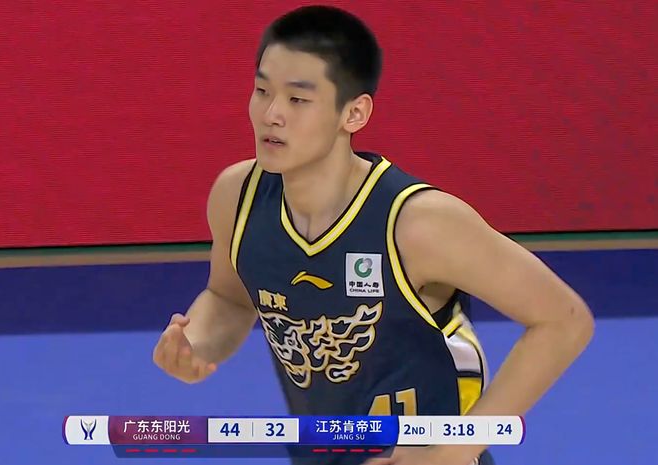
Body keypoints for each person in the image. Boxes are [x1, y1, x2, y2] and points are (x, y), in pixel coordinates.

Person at [153, 5, 594, 465]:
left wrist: (453, 451)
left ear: (354, 113)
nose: (271, 114)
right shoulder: (237, 197)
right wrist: (196, 344)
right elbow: (230, 298)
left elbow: (564, 321)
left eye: (298, 99)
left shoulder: (417, 223)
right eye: (262, 91)